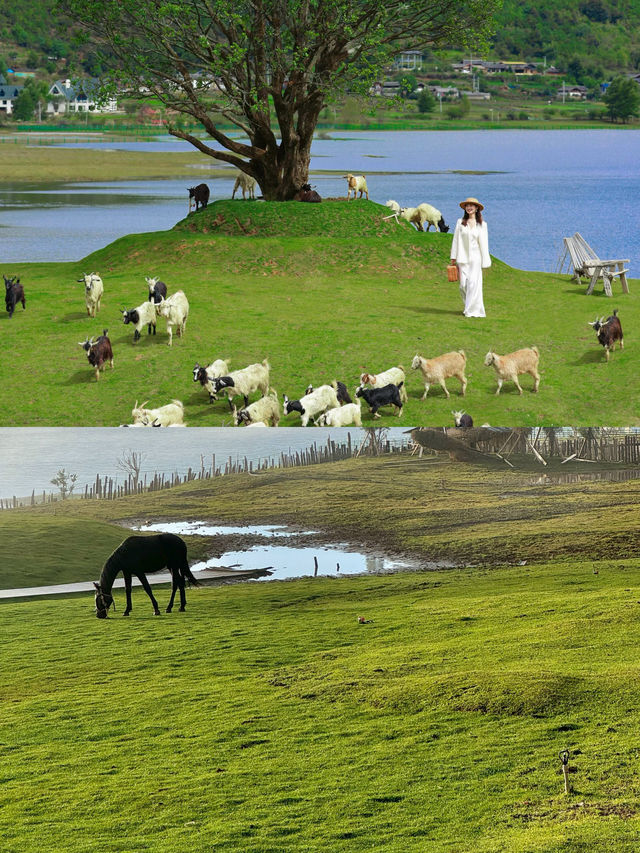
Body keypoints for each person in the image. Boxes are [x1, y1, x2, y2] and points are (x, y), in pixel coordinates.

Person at [450, 197, 491, 318]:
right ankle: (468, 305)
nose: (469, 207)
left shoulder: (482, 225)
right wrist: (453, 256)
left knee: (474, 284)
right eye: (467, 206)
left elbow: (484, 243)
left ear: (477, 208)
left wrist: (485, 260)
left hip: (476, 258)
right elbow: (455, 240)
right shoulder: (460, 222)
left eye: (471, 206)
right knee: (463, 285)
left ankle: (472, 310)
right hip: (462, 258)